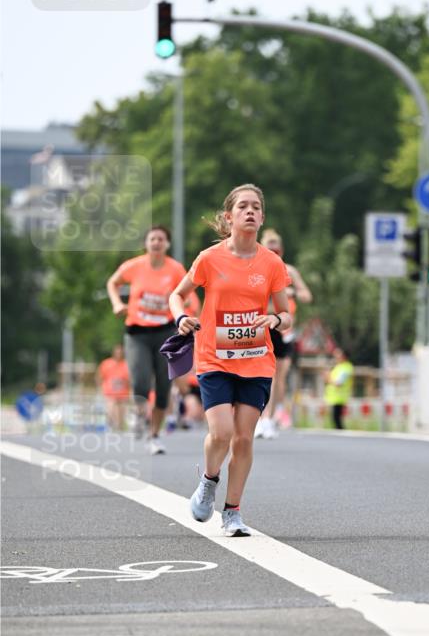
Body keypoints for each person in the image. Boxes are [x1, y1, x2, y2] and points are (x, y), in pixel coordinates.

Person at [169, 184, 291, 537]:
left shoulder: (271, 263)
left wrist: (275, 320)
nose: (250, 211)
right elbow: (177, 294)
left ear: (262, 217)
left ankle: (232, 512)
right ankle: (209, 480)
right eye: (243, 206)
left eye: (256, 207)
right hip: (215, 358)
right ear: (229, 216)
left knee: (244, 439)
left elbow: (286, 314)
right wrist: (181, 317)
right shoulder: (209, 259)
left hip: (256, 360)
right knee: (221, 433)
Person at [106, 226, 196, 454]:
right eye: (152, 239)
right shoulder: (134, 266)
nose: (156, 242)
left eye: (161, 239)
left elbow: (188, 294)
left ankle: (154, 435)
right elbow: (113, 283)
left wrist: (185, 307)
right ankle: (139, 414)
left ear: (167, 244)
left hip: (165, 332)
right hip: (137, 333)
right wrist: (117, 303)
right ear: (146, 243)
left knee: (164, 387)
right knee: (141, 381)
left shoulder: (175, 269)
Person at [254, 228, 312, 439]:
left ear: (282, 250)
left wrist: (291, 292)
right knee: (265, 375)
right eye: (269, 246)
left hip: (284, 329)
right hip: (263, 326)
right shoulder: (255, 269)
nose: (273, 250)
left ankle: (270, 418)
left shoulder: (289, 271)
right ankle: (261, 418)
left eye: (276, 247)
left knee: (280, 376)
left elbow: (306, 296)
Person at [96, 344, 131, 430]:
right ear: (114, 353)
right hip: (110, 393)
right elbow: (99, 377)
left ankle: (119, 428)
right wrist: (100, 388)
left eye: (120, 352)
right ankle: (111, 425)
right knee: (111, 409)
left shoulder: (126, 365)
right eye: (117, 352)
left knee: (121, 413)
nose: (119, 354)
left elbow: (130, 380)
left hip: (123, 394)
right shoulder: (106, 363)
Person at [325, 347, 354, 430]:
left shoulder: (346, 368)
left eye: (338, 354)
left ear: (343, 356)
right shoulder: (339, 366)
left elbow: (338, 383)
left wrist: (328, 377)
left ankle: (342, 433)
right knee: (335, 419)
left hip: (339, 398)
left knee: (336, 419)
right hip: (335, 398)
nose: (336, 356)